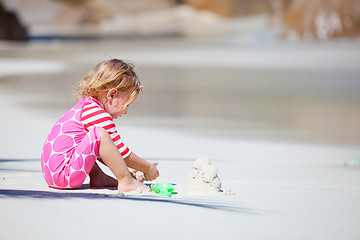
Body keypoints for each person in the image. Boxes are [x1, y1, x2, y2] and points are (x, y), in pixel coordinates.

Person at [40, 59, 159, 192]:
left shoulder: (86, 107)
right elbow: (120, 151)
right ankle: (126, 181)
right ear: (112, 94)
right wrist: (147, 167)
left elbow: (103, 151)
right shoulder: (97, 114)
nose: (125, 111)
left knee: (90, 139)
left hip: (53, 174)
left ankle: (98, 177)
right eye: (127, 105)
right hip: (64, 176)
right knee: (100, 134)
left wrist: (126, 167)